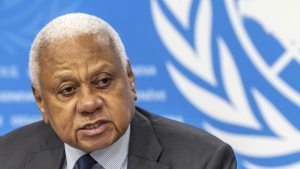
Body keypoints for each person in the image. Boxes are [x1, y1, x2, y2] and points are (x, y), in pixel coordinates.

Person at [0, 13, 237, 169]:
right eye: (68, 89)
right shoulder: (6, 157)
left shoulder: (204, 160)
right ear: (41, 101)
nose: (89, 104)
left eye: (103, 81)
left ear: (130, 79)